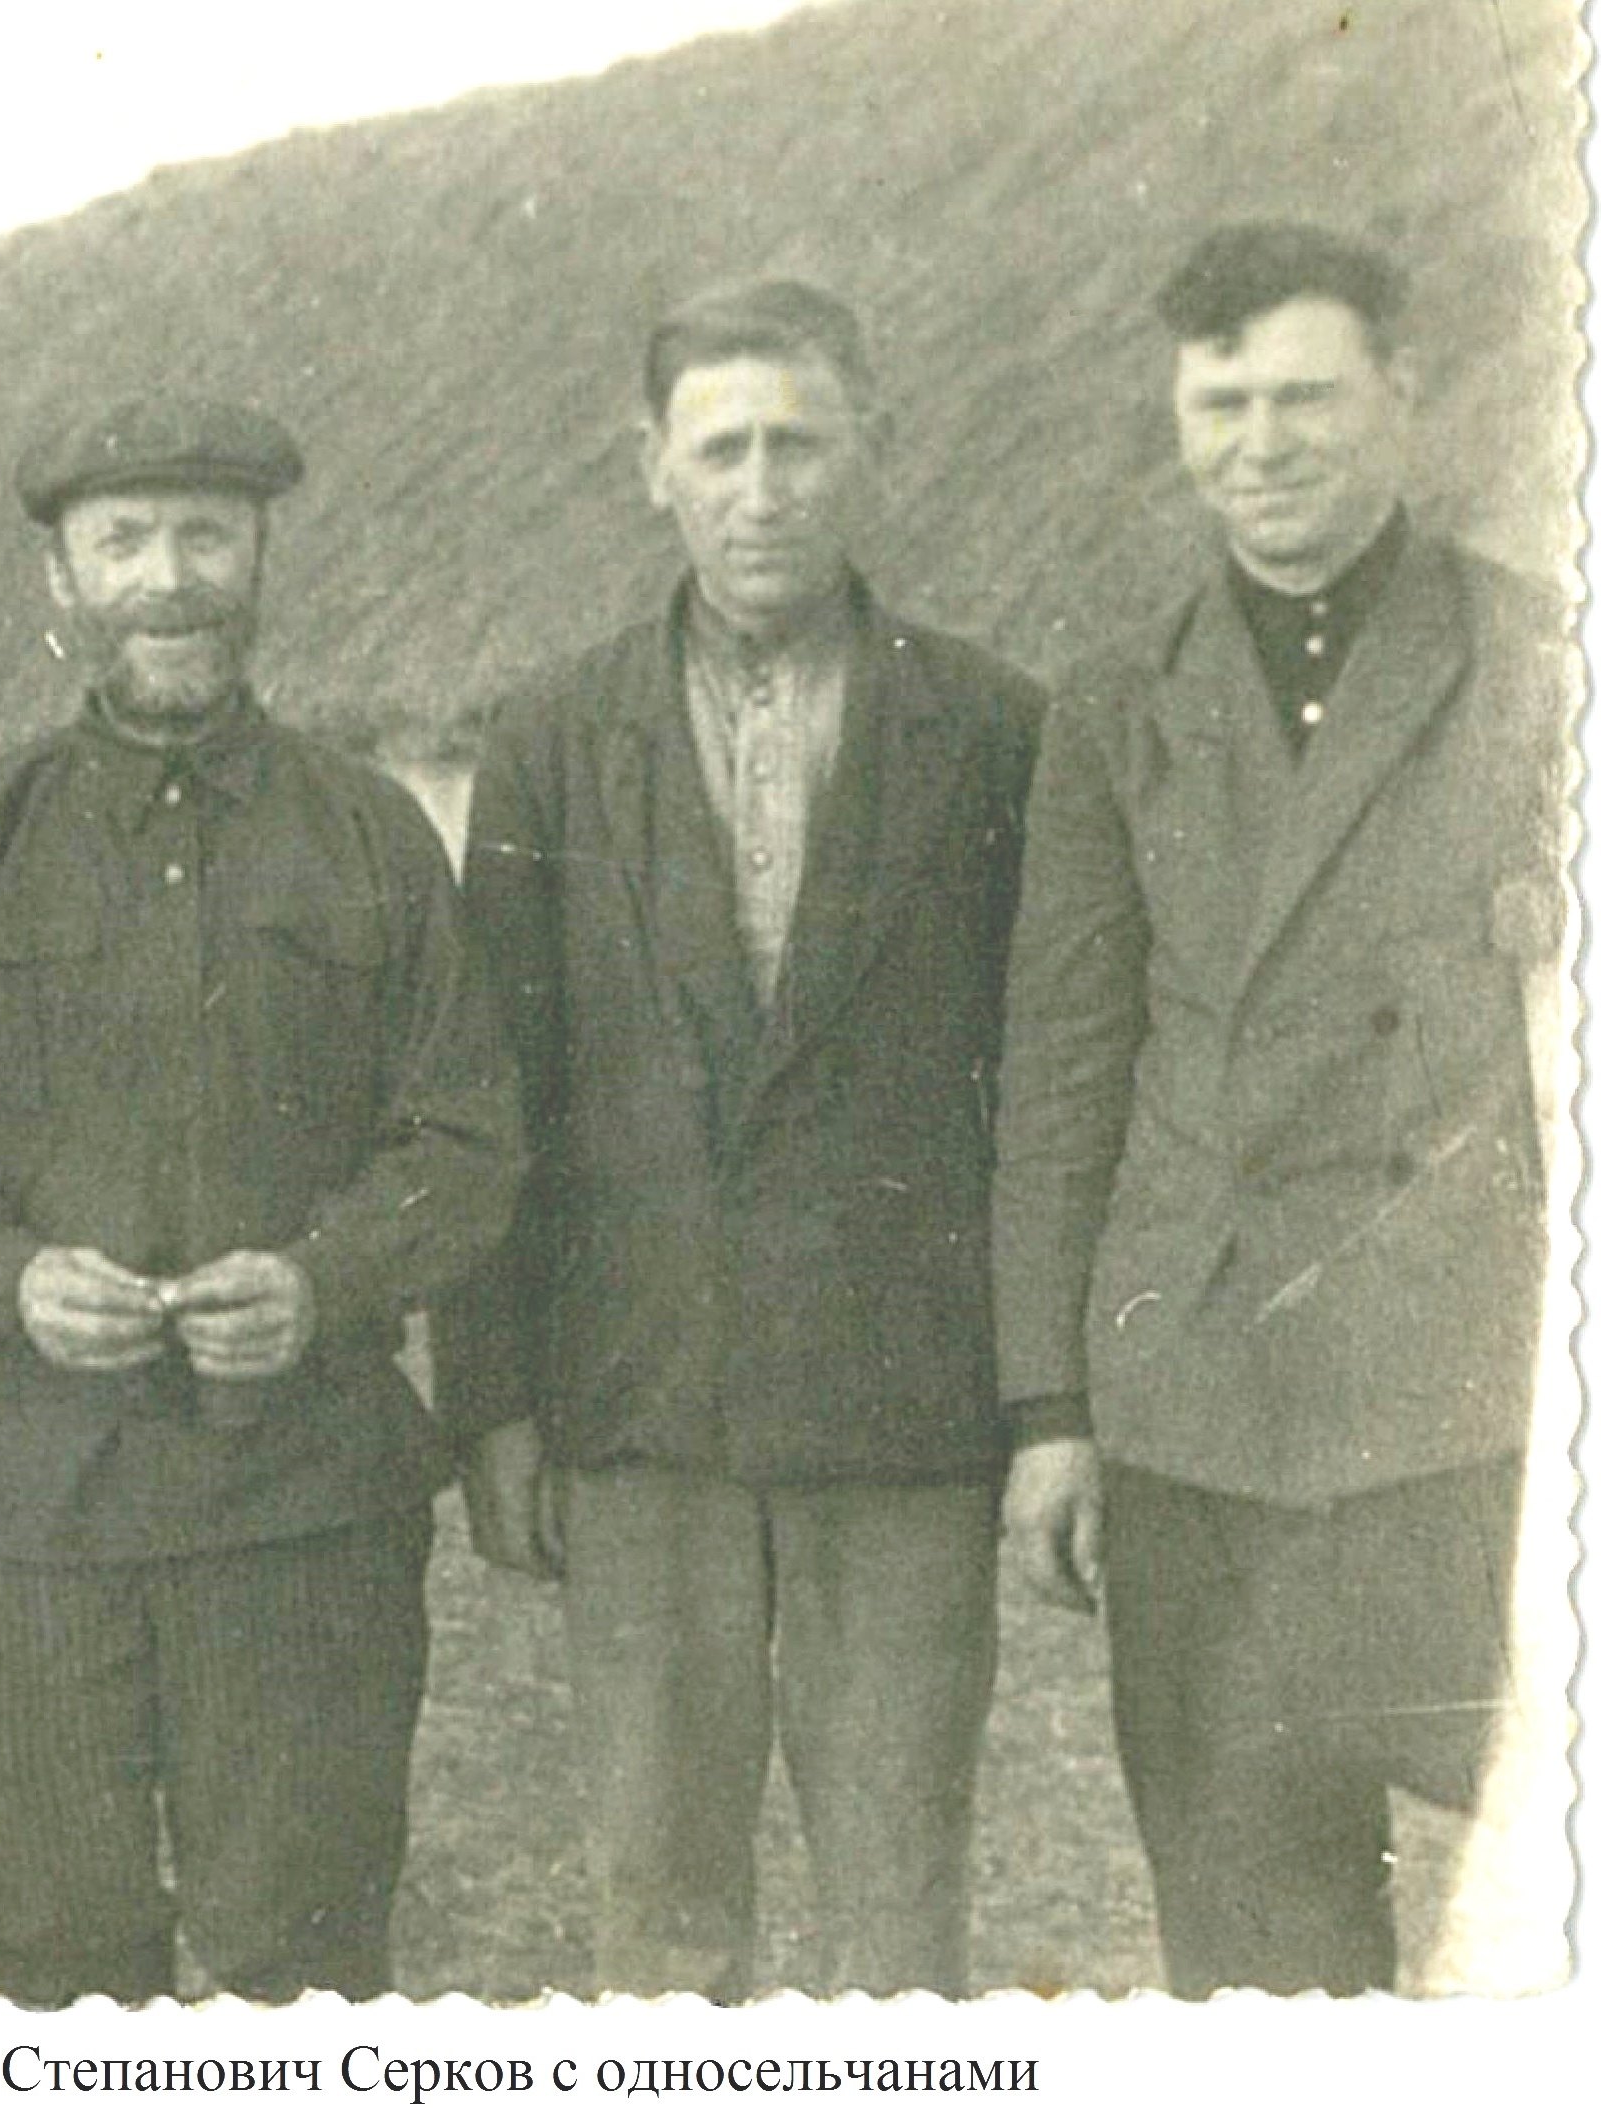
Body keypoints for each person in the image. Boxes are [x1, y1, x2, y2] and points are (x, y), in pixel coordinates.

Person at [0, 394, 523, 2004]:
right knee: (51, 1960)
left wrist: (329, 1281)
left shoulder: (367, 832)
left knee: (302, 1959)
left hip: (303, 1511)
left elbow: (467, 1141)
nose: (169, 577)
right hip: (29, 1513)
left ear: (261, 558)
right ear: (61, 580)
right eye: (123, 541)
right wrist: (6, 1279)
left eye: (207, 535)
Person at [434, 281, 1046, 1998]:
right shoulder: (552, 741)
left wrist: (1043, 1404)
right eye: (721, 451)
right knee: (662, 1906)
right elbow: (500, 1093)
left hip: (903, 1413)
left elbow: (1046, 1082)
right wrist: (492, 1399)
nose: (761, 490)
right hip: (643, 1410)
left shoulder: (996, 729)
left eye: (799, 444)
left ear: (871, 453)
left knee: (897, 1905)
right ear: (654, 465)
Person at [993, 224, 1570, 1996]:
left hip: (1473, 1407)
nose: (1262, 444)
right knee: (1254, 1960)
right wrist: (1052, 1410)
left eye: (1306, 398)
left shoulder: (1540, 658)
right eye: (1221, 404)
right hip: (1205, 1417)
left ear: (1404, 397)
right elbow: (1064, 1066)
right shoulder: (1118, 703)